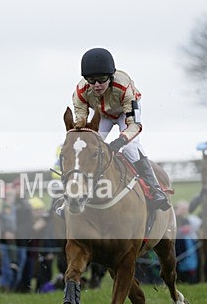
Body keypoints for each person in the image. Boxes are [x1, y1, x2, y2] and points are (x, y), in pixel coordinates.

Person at [68, 48, 170, 211]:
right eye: (91, 80)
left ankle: (154, 189)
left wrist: (120, 141)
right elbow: (80, 120)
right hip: (102, 115)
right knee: (85, 149)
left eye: (101, 79)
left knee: (130, 147)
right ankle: (72, 193)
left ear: (111, 76)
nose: (96, 85)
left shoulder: (124, 87)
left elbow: (134, 125)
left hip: (125, 115)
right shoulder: (80, 92)